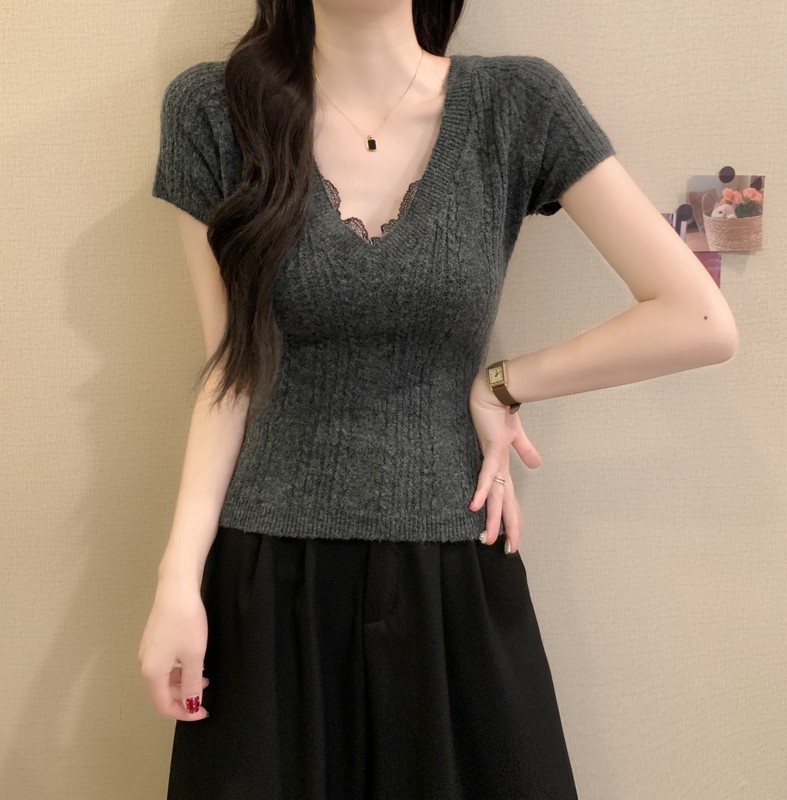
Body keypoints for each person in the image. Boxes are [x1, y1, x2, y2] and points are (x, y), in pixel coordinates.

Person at [138, 1, 738, 798]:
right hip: (269, 585)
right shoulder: (213, 112)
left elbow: (698, 319)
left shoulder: (517, 105)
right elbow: (231, 370)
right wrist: (178, 578)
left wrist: (503, 385)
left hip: (452, 577)